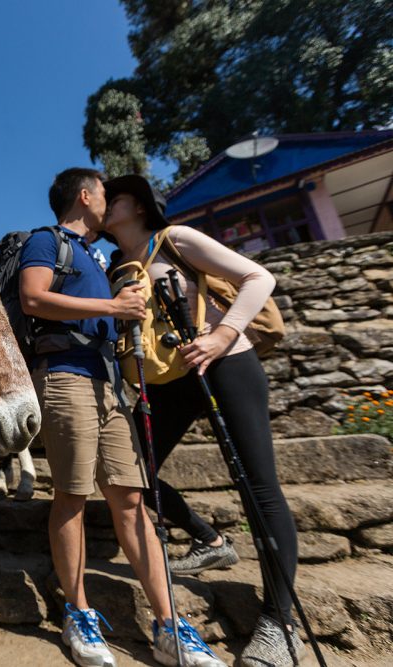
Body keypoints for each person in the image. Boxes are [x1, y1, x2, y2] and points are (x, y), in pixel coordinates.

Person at [19, 168, 225, 667]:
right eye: (104, 194)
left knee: (130, 498)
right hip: (65, 375)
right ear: (85, 195)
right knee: (70, 494)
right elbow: (33, 297)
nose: (108, 202)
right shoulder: (47, 241)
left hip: (111, 385)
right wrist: (112, 305)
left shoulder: (96, 255)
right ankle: (79, 613)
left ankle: (169, 623)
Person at [102, 174, 304, 667]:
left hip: (225, 363)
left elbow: (259, 277)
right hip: (166, 384)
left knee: (258, 485)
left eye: (116, 196)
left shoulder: (178, 239)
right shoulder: (115, 267)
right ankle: (210, 539)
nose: (107, 202)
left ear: (139, 207)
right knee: (137, 477)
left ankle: (281, 622)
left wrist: (222, 335)